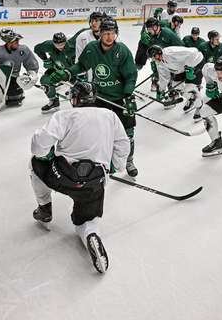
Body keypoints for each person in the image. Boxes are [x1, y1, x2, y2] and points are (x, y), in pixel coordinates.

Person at [30, 82, 130, 274]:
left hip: (63, 176)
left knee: (35, 164)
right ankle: (91, 234)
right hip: (95, 180)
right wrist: (116, 166)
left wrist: (45, 153)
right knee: (86, 220)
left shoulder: (63, 116)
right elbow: (123, 145)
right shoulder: (110, 115)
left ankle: (44, 209)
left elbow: (39, 146)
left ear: (75, 98)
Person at [46, 18, 140, 176]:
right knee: (98, 131)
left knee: (128, 132)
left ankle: (128, 160)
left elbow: (131, 75)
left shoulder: (122, 50)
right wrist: (67, 72)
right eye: (106, 33)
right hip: (99, 98)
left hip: (119, 98)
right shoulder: (91, 48)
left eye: (112, 33)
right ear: (100, 34)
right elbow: (81, 65)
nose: (110, 37)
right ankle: (101, 158)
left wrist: (129, 96)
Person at [0, 29, 40, 108]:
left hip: (14, 78)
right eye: (14, 41)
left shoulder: (23, 49)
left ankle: (10, 92)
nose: (17, 43)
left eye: (17, 41)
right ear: (8, 42)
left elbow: (32, 65)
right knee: (6, 65)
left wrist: (31, 75)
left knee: (15, 100)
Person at [147, 44, 204, 111]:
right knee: (177, 87)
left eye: (154, 57)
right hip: (182, 69)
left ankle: (200, 107)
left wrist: (189, 68)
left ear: (158, 53)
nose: (153, 60)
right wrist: (161, 90)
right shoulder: (159, 63)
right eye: (152, 58)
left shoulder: (171, 53)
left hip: (196, 63)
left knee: (189, 88)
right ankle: (191, 97)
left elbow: (193, 52)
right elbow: (164, 77)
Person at [34, 33, 73, 112]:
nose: (60, 47)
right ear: (53, 43)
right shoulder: (49, 45)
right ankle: (53, 101)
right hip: (58, 69)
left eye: (62, 44)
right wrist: (45, 59)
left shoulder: (72, 48)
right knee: (44, 80)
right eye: (57, 45)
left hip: (73, 72)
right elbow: (37, 48)